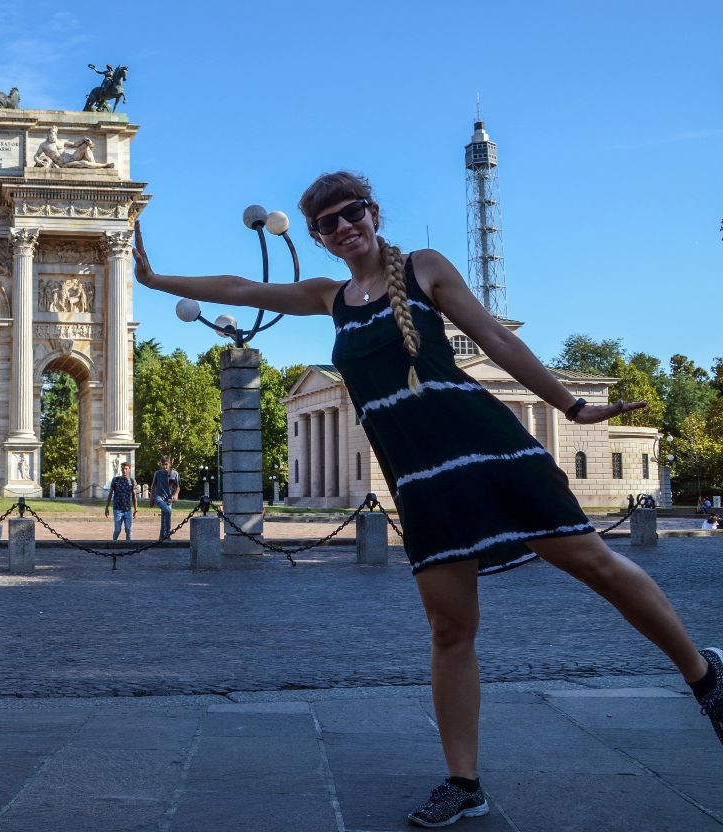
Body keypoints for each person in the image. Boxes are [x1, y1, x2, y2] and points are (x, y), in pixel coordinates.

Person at [131, 170, 723, 827]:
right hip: (419, 476)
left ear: (373, 212)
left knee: (593, 563)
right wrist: (155, 281)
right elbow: (242, 288)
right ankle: (464, 783)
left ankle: (704, 677)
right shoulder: (330, 297)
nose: (344, 226)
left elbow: (496, 338)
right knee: (449, 628)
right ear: (320, 237)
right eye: (328, 222)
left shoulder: (424, 268)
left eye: (352, 211)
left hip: (487, 446)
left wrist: (571, 405)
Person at [105, 462, 139, 541]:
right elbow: (110, 494)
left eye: (126, 469)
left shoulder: (132, 481)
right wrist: (106, 507)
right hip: (117, 509)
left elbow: (134, 496)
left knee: (128, 529)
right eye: (123, 469)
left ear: (129, 470)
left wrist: (136, 510)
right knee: (117, 530)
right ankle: (114, 543)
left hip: (127, 510)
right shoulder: (116, 480)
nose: (124, 470)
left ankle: (128, 545)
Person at [150, 456, 180, 540]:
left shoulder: (175, 474)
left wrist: (176, 495)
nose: (164, 466)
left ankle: (161, 538)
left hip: (169, 499)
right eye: (163, 464)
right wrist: (151, 498)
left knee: (164, 519)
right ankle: (167, 533)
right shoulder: (157, 473)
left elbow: (178, 487)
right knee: (168, 511)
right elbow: (153, 486)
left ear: (170, 464)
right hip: (159, 497)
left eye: (166, 464)